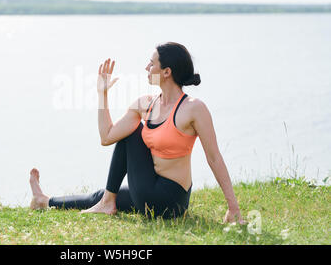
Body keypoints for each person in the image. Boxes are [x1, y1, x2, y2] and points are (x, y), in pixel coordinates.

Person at [29, 42, 244, 223]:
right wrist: (102, 94)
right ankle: (45, 201)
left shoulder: (194, 108)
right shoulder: (146, 104)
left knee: (132, 133)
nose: (146, 67)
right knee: (104, 193)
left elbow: (214, 157)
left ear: (167, 72)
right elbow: (107, 137)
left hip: (171, 198)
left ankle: (107, 202)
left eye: (152, 64)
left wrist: (233, 208)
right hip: (148, 189)